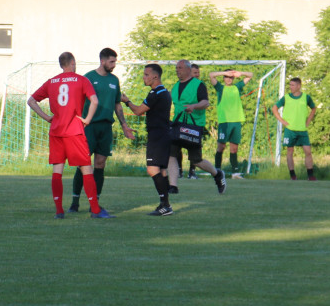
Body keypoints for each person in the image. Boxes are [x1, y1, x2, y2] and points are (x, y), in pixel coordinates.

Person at [27, 52, 113, 219]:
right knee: (86, 169)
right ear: (73, 63)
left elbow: (31, 101)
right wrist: (87, 119)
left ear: (61, 65)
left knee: (57, 170)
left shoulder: (52, 81)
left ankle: (59, 211)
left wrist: (46, 117)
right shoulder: (81, 80)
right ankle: (95, 210)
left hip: (57, 132)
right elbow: (94, 101)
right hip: (75, 131)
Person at [68, 48, 134, 212]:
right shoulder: (88, 78)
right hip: (88, 127)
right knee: (83, 164)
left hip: (106, 127)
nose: (114, 65)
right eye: (111, 62)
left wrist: (124, 125)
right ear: (102, 61)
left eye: (115, 62)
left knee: (100, 163)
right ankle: (75, 203)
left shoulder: (114, 80)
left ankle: (94, 204)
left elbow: (117, 104)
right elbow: (77, 100)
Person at [168, 59, 226, 194]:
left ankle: (217, 174)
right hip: (177, 125)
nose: (177, 70)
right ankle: (173, 186)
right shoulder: (175, 86)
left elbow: (205, 103)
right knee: (171, 155)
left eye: (180, 68)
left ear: (188, 69)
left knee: (196, 161)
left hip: (193, 127)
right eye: (176, 68)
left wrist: (194, 106)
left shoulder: (198, 85)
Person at [122, 63, 173, 215]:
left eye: (146, 75)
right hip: (163, 134)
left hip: (157, 136)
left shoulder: (156, 93)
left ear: (155, 76)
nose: (144, 77)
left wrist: (126, 101)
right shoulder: (165, 92)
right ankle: (165, 205)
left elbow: (138, 111)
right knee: (162, 171)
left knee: (152, 169)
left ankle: (165, 205)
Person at [209, 69, 253, 179]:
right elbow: (211, 75)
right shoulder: (220, 88)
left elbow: (250, 75)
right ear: (223, 78)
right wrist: (223, 73)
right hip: (224, 122)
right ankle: (217, 171)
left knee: (234, 149)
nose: (228, 79)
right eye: (226, 77)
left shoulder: (237, 87)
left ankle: (235, 173)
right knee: (221, 147)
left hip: (236, 121)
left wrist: (240, 73)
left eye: (230, 77)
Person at [271, 77, 318, 181]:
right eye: (290, 85)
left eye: (292, 85)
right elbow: (274, 108)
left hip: (302, 130)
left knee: (308, 151)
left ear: (298, 86)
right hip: (290, 130)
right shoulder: (286, 97)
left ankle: (310, 175)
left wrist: (308, 121)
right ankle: (292, 175)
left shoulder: (306, 97)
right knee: (289, 151)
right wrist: (281, 120)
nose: (290, 87)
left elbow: (314, 108)